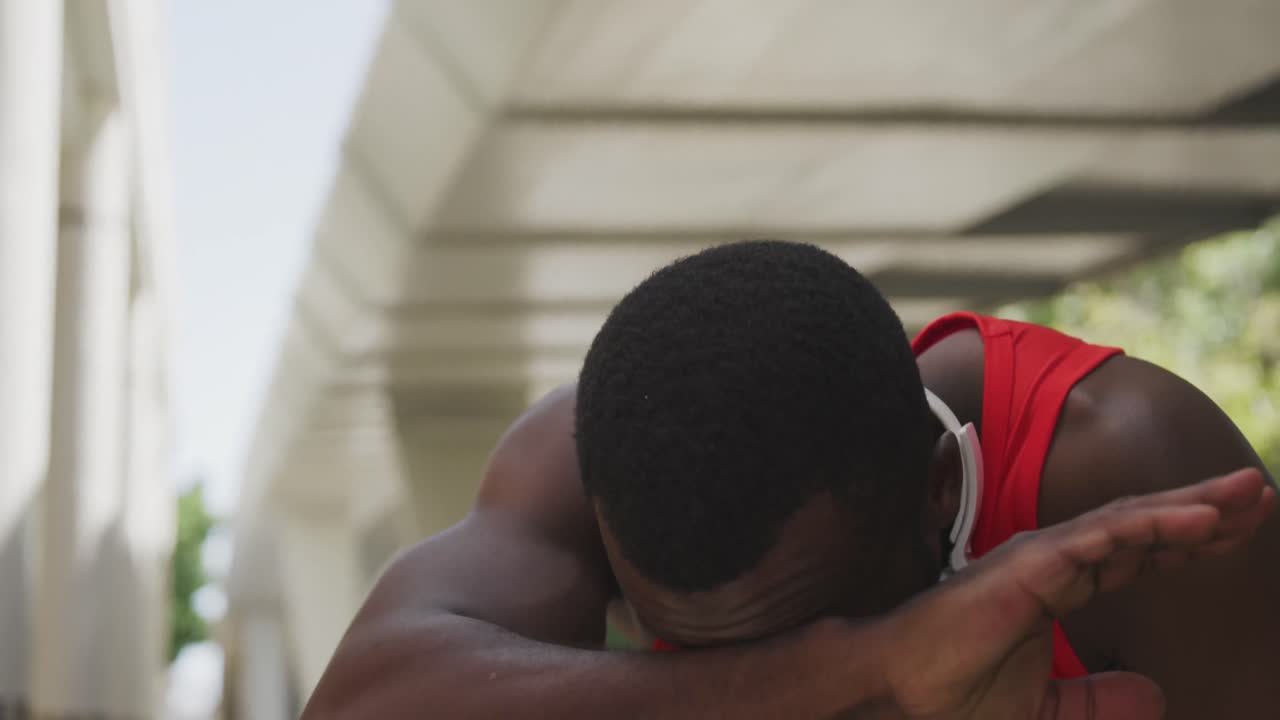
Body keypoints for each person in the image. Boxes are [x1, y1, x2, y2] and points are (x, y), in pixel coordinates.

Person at [302, 241, 1278, 719]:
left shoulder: (1130, 474)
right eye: (686, 649)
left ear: (942, 487)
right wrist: (865, 662)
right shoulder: (601, 445)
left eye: (828, 621)